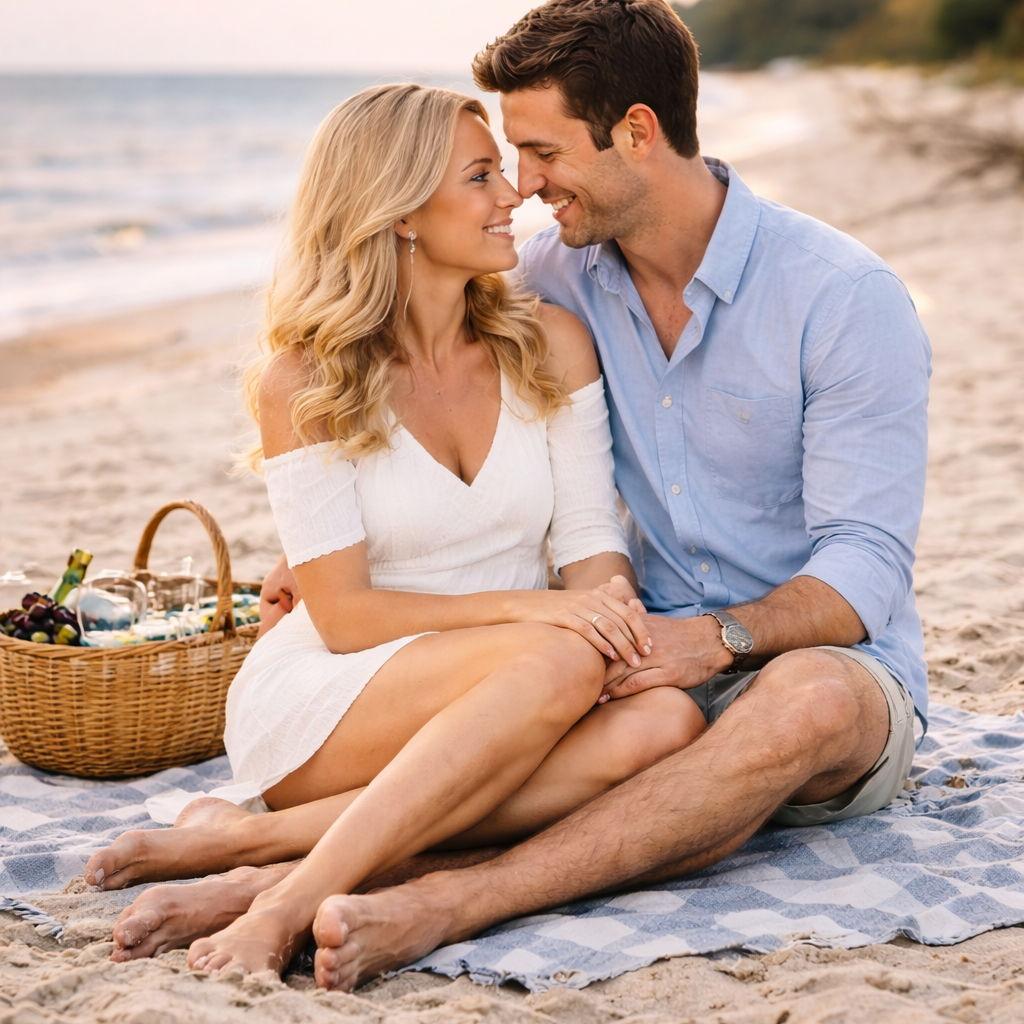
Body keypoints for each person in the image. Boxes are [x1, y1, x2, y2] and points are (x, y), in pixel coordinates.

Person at [91, 0, 933, 992]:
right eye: (496, 166)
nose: (523, 191)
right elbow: (391, 374)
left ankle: (354, 880)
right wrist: (325, 555)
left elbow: (864, 568)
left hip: (758, 655)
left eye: (533, 154)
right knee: (641, 715)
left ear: (635, 131)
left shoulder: (837, 297)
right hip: (580, 656)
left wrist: (705, 638)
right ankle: (308, 874)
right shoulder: (550, 268)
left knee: (802, 703)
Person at [84, 80, 708, 980]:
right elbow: (342, 616)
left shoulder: (551, 345)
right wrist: (544, 623)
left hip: (519, 681)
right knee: (567, 659)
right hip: (338, 695)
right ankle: (287, 903)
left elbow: (586, 543)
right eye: (482, 175)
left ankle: (250, 854)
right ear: (402, 210)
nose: (513, 195)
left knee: (668, 726)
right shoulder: (307, 381)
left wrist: (603, 612)